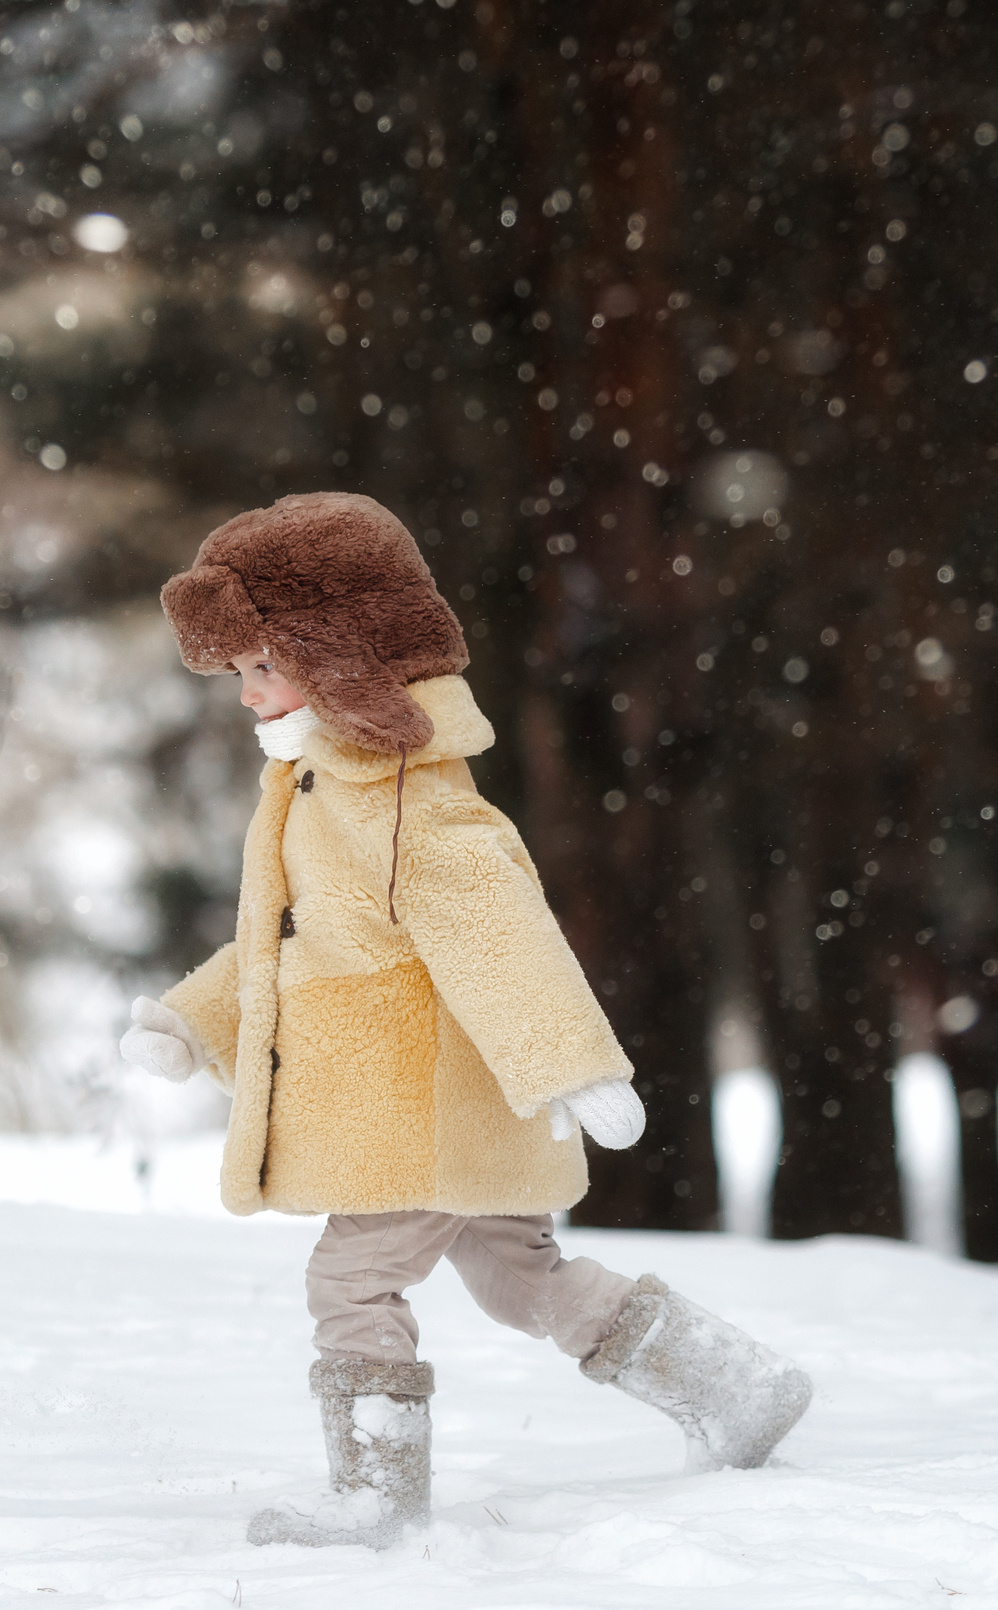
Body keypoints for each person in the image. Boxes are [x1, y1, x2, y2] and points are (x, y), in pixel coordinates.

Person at [119, 492, 810, 1549]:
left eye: (264, 664)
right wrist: (191, 1019)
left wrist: (574, 1065)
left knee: (352, 1279)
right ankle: (733, 1387)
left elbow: (499, 933)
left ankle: (375, 1496)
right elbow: (295, 947)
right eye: (238, 673)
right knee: (515, 1279)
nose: (247, 693)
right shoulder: (323, 789)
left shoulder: (401, 799)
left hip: (413, 1112)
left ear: (341, 652)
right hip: (463, 1108)